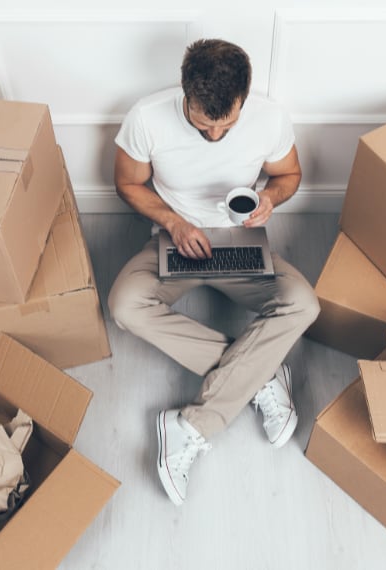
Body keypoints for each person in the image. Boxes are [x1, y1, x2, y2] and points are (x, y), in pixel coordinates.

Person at [108, 39, 320, 506]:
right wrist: (173, 222)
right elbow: (127, 183)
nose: (217, 135)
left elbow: (288, 176)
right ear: (186, 96)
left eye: (228, 124)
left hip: (238, 240)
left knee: (304, 303)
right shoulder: (146, 118)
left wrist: (270, 200)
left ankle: (192, 426)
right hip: (173, 239)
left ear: (243, 99)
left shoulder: (269, 116)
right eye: (205, 125)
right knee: (124, 305)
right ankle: (260, 375)